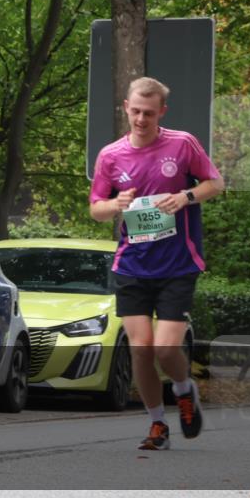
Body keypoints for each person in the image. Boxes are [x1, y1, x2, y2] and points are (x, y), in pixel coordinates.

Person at [90, 76, 223, 451]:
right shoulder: (111, 155)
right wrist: (114, 206)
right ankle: (157, 425)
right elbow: (96, 207)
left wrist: (185, 196)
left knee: (166, 350)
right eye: (135, 111)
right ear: (126, 108)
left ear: (161, 111)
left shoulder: (182, 144)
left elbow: (215, 183)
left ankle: (183, 391)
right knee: (140, 351)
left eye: (149, 113)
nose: (141, 119)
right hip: (131, 265)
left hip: (177, 265)